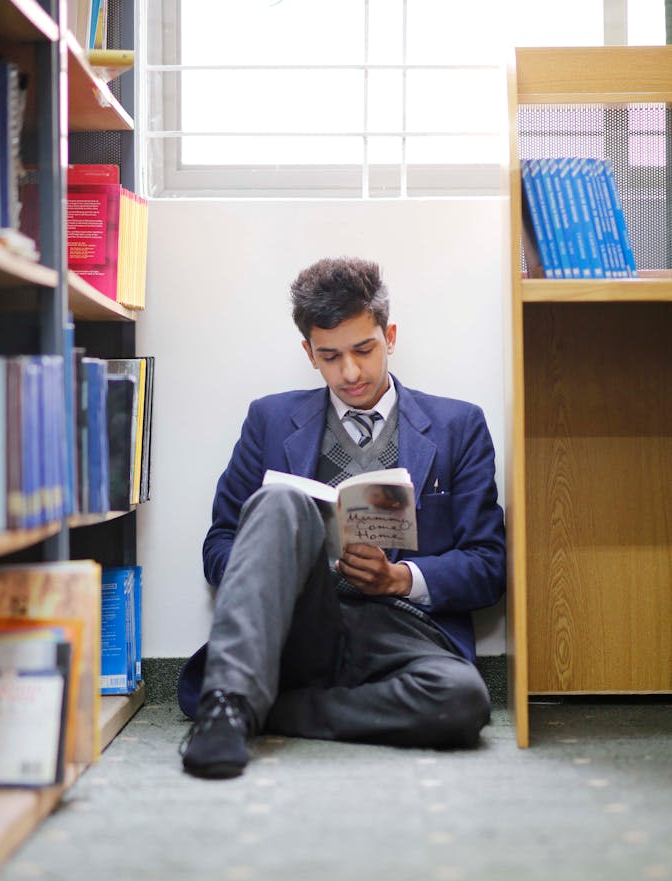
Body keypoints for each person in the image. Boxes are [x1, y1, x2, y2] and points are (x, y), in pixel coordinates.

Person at [178, 257, 506, 779]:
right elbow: (218, 546)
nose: (350, 372)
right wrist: (285, 559)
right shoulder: (269, 419)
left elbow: (488, 565)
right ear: (309, 353)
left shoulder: (458, 426)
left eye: (363, 350)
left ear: (389, 335)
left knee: (462, 700)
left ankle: (262, 709)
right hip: (301, 623)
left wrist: (400, 578)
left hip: (404, 631)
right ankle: (228, 711)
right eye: (330, 356)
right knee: (277, 503)